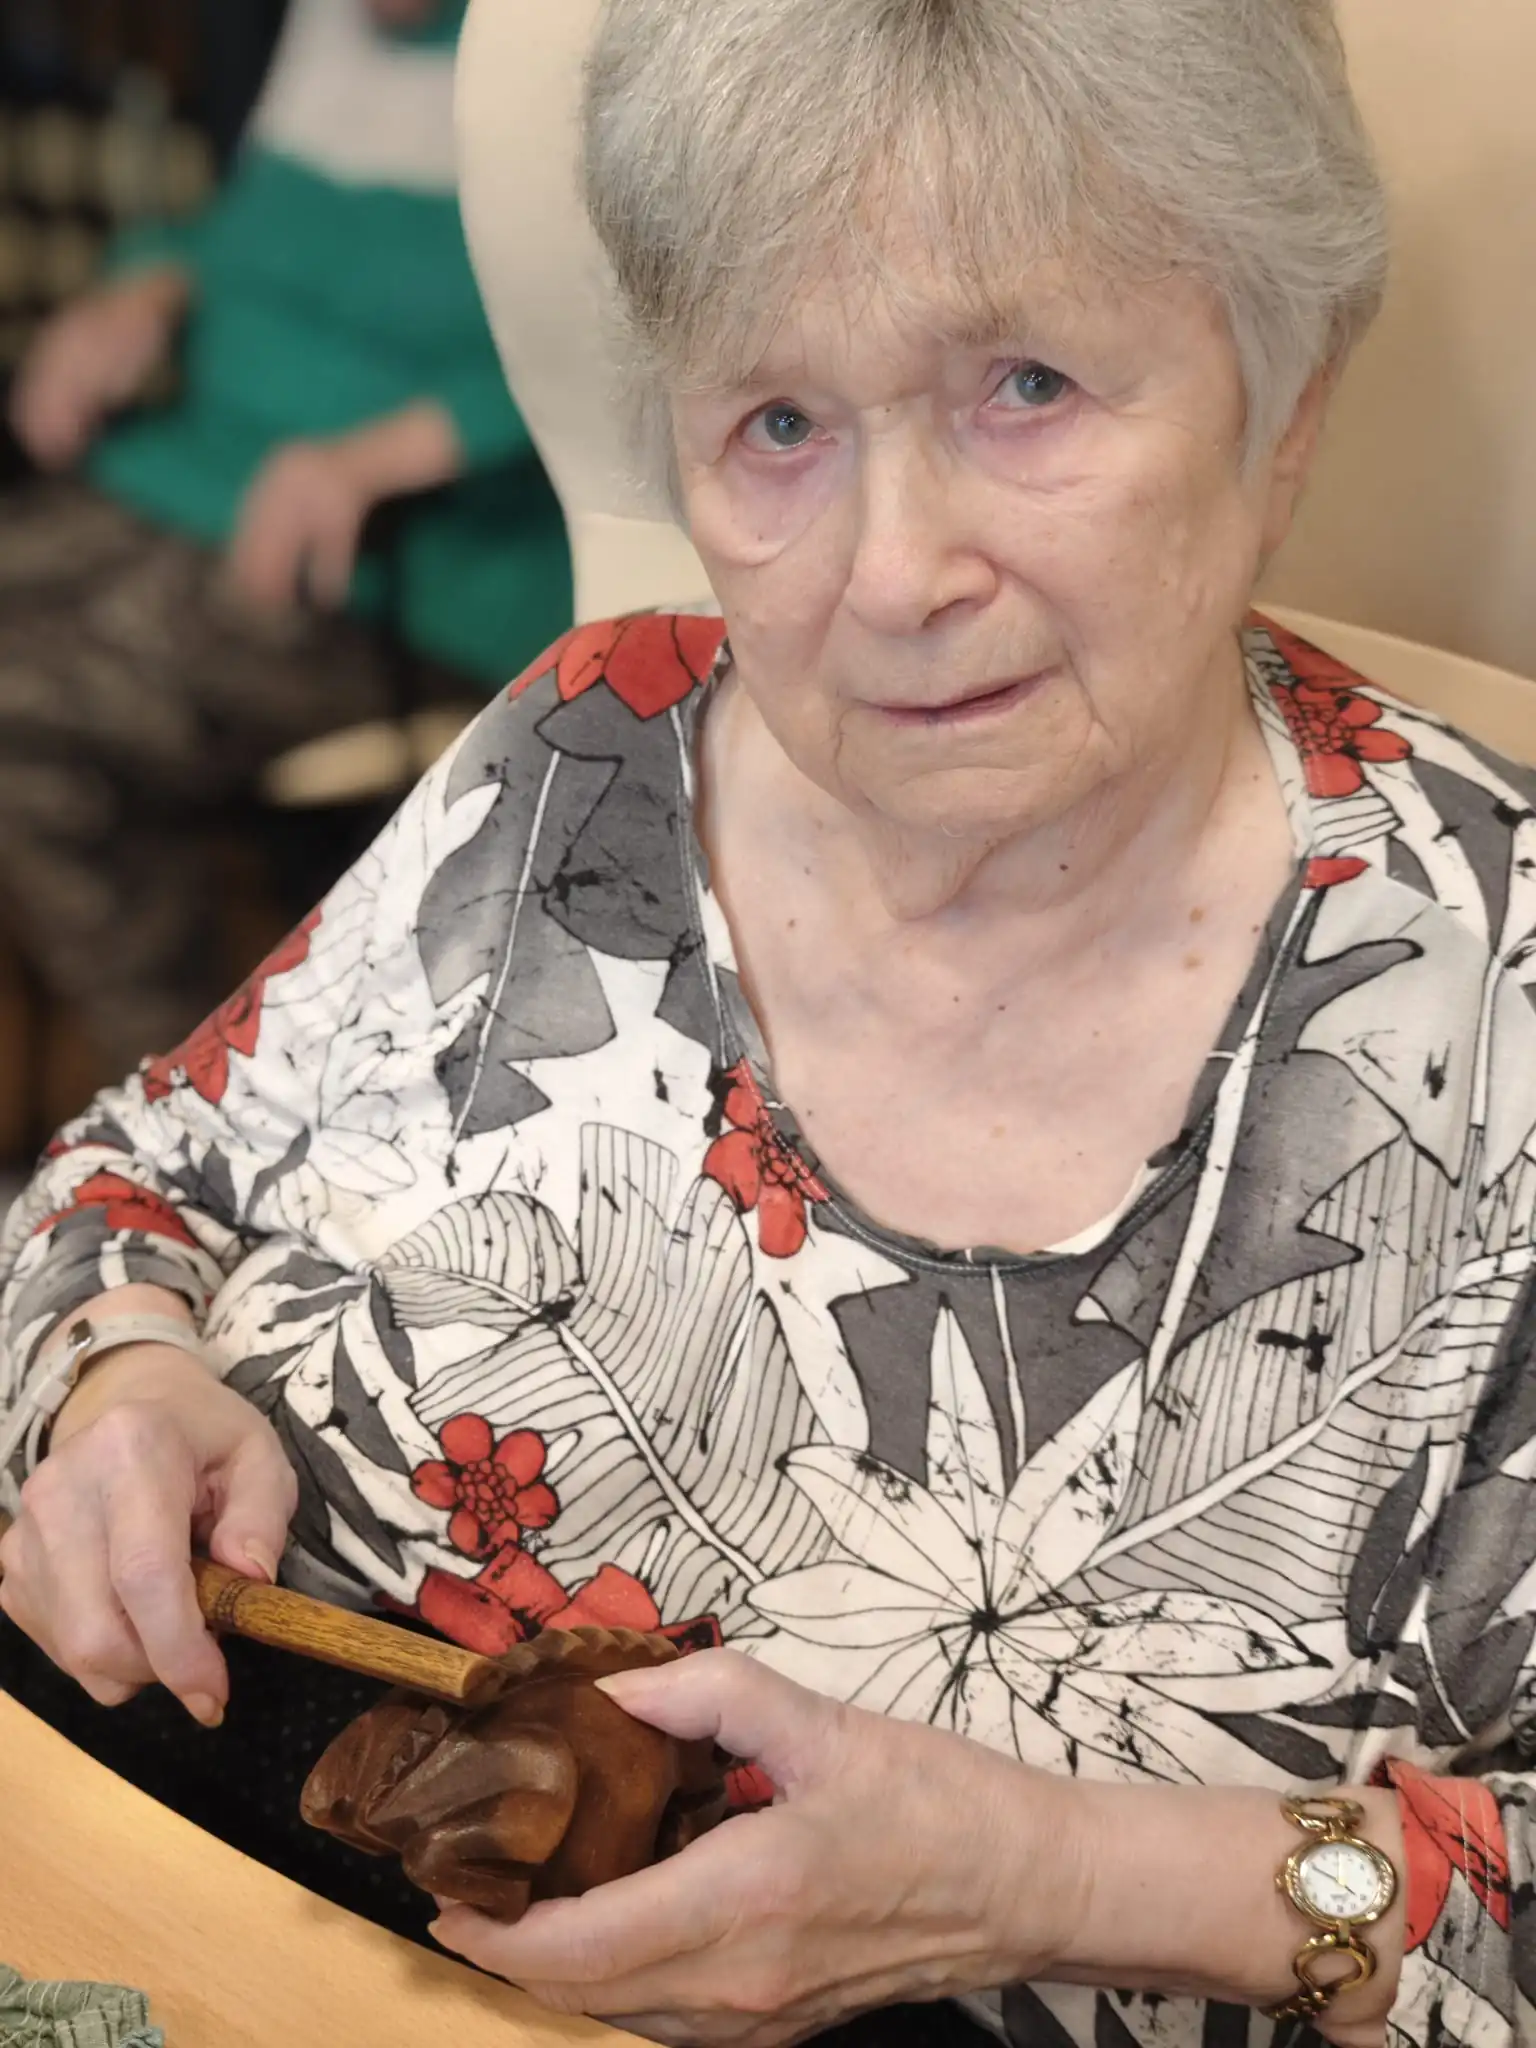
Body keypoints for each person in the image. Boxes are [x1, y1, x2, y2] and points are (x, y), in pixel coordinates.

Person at [3, 0, 1535, 2043]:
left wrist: (1058, 1876)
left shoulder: (1496, 1007)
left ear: (1285, 406)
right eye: (782, 423)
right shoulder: (586, 744)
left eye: (1026, 385)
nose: (894, 573)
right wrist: (113, 1381)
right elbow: (129, 1176)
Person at [0, 0, 570, 1074]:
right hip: (187, 481)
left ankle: (192, 1097)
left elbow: (615, 338)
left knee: (24, 717)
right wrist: (144, 287)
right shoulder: (328, 31)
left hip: (401, 568)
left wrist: (379, 456)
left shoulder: (564, 48)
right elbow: (255, 236)